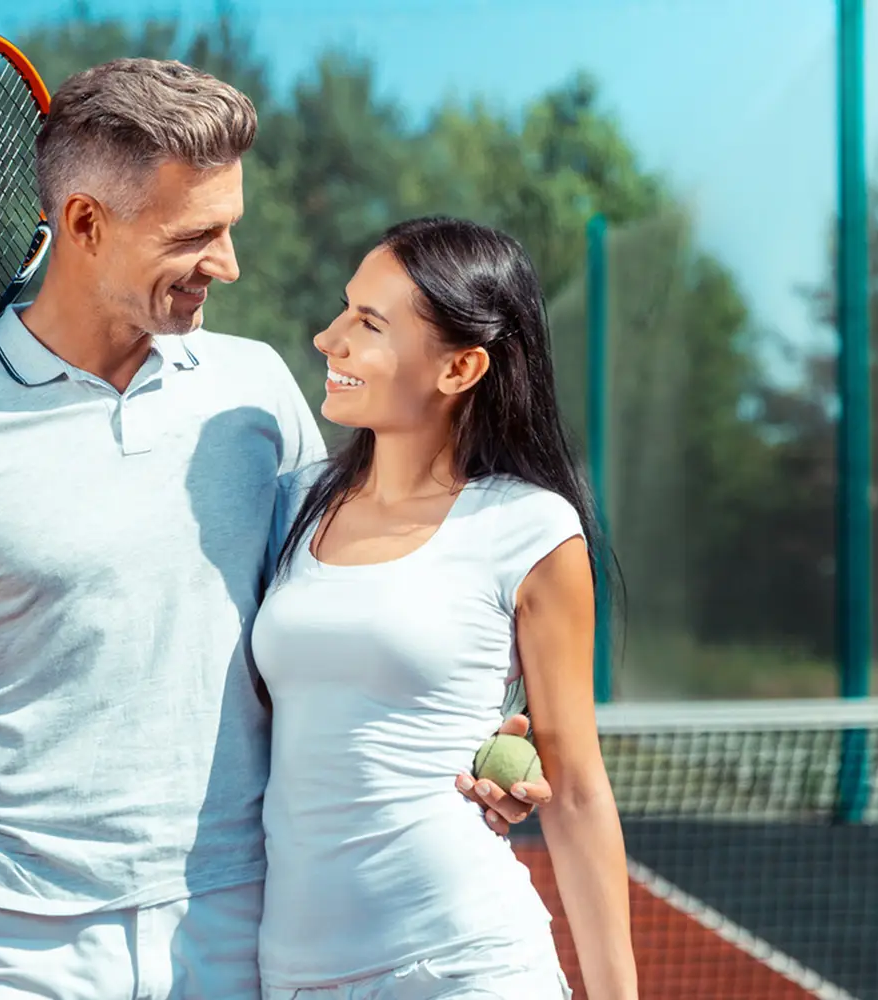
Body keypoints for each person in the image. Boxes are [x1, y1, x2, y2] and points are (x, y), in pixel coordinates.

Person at [0, 59, 539, 998]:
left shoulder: (257, 391)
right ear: (87, 224)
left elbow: (351, 610)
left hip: (237, 922)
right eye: (197, 235)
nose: (228, 263)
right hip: (11, 946)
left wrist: (473, 734)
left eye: (231, 228)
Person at [251, 216, 639, 999]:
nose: (329, 338)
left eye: (370, 323)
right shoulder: (290, 506)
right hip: (293, 977)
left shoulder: (531, 527)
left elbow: (578, 788)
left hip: (464, 965)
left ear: (460, 367)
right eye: (343, 309)